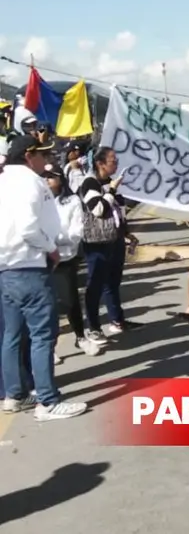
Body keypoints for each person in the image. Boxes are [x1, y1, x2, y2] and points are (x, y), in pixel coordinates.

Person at [0, 135, 88, 420]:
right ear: (29, 155)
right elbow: (28, 227)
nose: (48, 161)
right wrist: (51, 249)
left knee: (12, 334)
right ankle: (48, 401)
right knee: (43, 335)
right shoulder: (30, 182)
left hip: (6, 267)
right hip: (29, 265)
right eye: (43, 155)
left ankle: (15, 394)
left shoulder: (3, 181)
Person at [42, 164, 101, 356]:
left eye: (52, 176)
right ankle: (50, 347)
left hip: (64, 257)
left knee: (70, 300)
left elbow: (76, 232)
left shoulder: (72, 201)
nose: (47, 180)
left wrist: (55, 240)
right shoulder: (40, 200)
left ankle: (80, 337)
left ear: (61, 179)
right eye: (45, 176)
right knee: (47, 305)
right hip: (42, 258)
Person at [77, 147, 132, 342]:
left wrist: (126, 232)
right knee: (95, 285)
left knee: (113, 283)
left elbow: (119, 211)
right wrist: (112, 190)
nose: (116, 164)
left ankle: (117, 320)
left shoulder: (109, 182)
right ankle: (93, 327)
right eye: (112, 161)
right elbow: (98, 209)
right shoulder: (90, 183)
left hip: (115, 240)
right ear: (100, 163)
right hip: (97, 242)